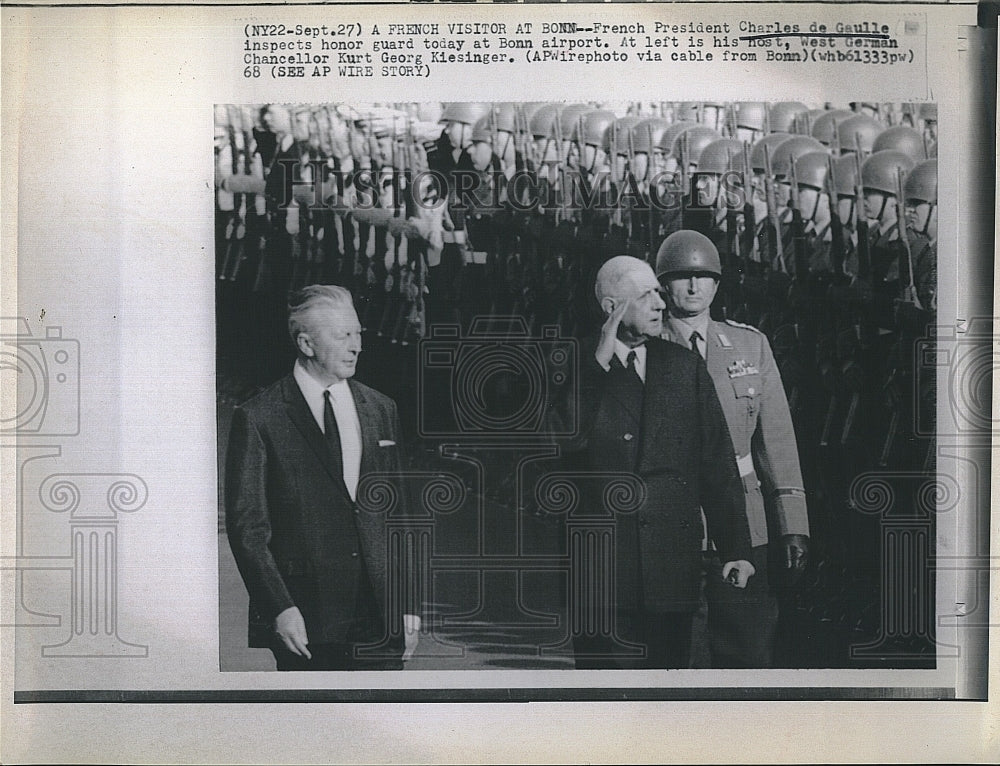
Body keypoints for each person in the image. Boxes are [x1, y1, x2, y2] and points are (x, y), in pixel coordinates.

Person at [561, 255, 755, 669]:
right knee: (605, 705)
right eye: (645, 294)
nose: (660, 303)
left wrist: (735, 547)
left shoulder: (683, 366)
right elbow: (560, 440)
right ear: (612, 307)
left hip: (672, 570)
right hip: (603, 576)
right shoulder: (573, 366)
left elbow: (717, 462)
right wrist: (596, 367)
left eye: (657, 291)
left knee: (666, 701)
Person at [225, 284, 421, 670]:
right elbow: (248, 530)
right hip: (306, 621)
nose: (357, 346)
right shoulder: (260, 418)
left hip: (381, 617)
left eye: (358, 333)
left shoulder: (381, 410)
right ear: (307, 343)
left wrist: (409, 605)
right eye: (343, 335)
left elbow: (402, 516)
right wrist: (279, 608)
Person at [655, 231, 810, 667]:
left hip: (745, 519)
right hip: (671, 521)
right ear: (663, 284)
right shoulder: (646, 345)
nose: (692, 287)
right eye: (681, 277)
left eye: (702, 276)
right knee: (673, 656)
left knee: (747, 647)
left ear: (717, 284)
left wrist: (792, 524)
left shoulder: (748, 345)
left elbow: (776, 441)